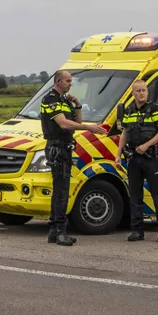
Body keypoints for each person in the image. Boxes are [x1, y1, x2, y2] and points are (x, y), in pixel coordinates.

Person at [40, 70, 107, 246]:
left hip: (64, 148)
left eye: (71, 81)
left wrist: (77, 105)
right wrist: (88, 127)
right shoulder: (51, 99)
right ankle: (60, 231)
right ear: (58, 82)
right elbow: (63, 123)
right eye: (68, 81)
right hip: (57, 147)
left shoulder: (64, 100)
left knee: (61, 190)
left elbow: (76, 120)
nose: (70, 84)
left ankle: (54, 231)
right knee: (61, 192)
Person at [114, 80, 158, 243]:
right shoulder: (129, 111)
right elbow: (124, 133)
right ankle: (137, 231)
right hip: (134, 159)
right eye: (138, 91)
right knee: (135, 196)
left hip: (151, 158)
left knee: (157, 195)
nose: (141, 93)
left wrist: (146, 145)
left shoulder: (155, 109)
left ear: (147, 92)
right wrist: (118, 155)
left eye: (144, 90)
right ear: (133, 93)